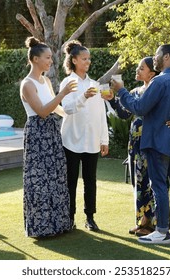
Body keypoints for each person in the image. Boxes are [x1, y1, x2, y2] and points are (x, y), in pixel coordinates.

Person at [111, 44, 170, 244]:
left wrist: (121, 91)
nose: (154, 58)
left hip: (158, 141)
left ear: (166, 57)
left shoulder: (159, 81)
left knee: (159, 186)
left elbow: (139, 108)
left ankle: (162, 231)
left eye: (157, 55)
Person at [20, 36, 77, 238]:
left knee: (56, 177)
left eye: (51, 58)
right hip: (37, 135)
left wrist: (75, 109)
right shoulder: (27, 84)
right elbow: (43, 111)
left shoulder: (45, 80)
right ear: (35, 59)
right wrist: (62, 94)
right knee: (39, 181)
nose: (51, 61)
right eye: (47, 57)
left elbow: (56, 108)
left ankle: (58, 224)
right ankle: (41, 228)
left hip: (52, 134)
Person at [60, 40, 109, 232]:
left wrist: (104, 140)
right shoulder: (67, 82)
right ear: (74, 60)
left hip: (91, 141)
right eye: (84, 58)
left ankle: (90, 217)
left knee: (91, 181)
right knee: (70, 181)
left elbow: (100, 114)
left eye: (89, 59)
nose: (87, 62)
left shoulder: (95, 84)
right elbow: (67, 109)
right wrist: (83, 97)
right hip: (71, 140)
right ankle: (69, 217)